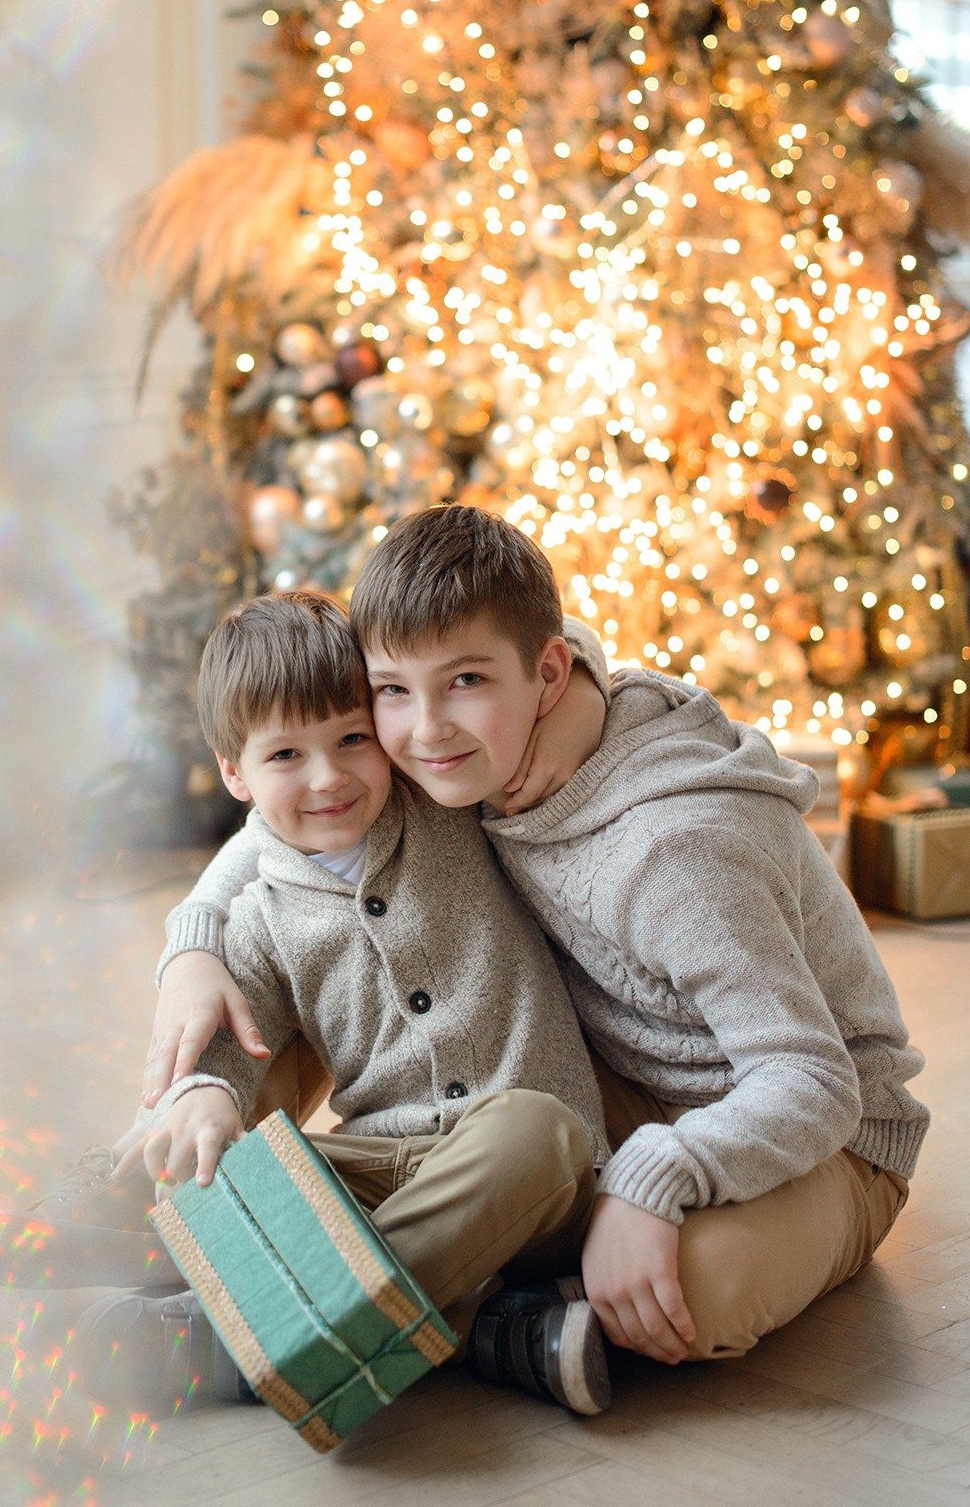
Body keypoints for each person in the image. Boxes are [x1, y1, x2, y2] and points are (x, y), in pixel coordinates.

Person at [138, 505, 928, 1369]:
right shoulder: (467, 752)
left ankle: (340, 1316)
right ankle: (171, 1189)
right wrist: (195, 941)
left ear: (546, 678)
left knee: (678, 1295)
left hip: (820, 1132)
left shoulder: (674, 855)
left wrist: (654, 1174)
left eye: (465, 683)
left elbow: (813, 1080)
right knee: (295, 959)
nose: (424, 730)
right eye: (392, 691)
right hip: (616, 1073)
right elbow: (286, 817)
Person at [0, 591, 616, 1419]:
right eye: (285, 755)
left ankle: (234, 1330)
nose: (328, 778)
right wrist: (206, 1091)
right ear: (233, 773)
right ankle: (477, 1328)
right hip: (380, 1171)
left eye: (352, 739)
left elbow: (560, 645)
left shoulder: (443, 797)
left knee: (541, 1130)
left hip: (528, 1182)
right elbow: (229, 1047)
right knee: (215, 1157)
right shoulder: (257, 922)